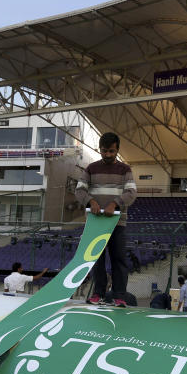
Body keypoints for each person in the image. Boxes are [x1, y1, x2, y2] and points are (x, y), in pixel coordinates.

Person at [76, 131, 137, 307]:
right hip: (95, 223)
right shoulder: (91, 168)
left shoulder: (125, 170)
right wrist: (90, 200)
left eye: (111, 151)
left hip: (117, 223)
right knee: (97, 259)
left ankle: (119, 296)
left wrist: (115, 204)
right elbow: (79, 190)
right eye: (104, 151)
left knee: (119, 260)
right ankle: (98, 294)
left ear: (117, 150)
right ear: (99, 149)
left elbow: (131, 193)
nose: (108, 155)